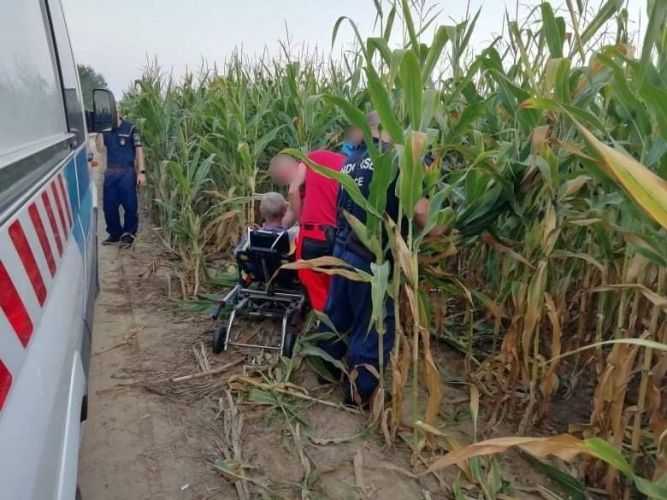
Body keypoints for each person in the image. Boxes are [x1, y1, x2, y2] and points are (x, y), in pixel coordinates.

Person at [318, 112, 431, 407]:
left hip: (342, 249)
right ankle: (360, 392)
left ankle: (323, 369)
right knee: (373, 326)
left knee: (338, 315)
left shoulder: (352, 160)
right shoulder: (396, 158)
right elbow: (421, 213)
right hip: (373, 258)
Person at [269, 149, 345, 311]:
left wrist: (301, 221)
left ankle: (326, 327)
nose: (288, 183)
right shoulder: (342, 161)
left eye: (285, 180)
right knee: (336, 283)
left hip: (314, 235)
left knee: (312, 281)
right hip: (340, 235)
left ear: (288, 170)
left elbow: (292, 191)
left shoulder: (310, 159)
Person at [96, 114, 146, 247]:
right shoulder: (105, 130)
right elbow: (100, 148)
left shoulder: (131, 128)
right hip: (111, 172)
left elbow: (139, 150)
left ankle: (129, 234)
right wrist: (99, 130)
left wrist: (141, 172)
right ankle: (115, 234)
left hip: (127, 172)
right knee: (109, 207)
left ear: (119, 113)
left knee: (130, 205)